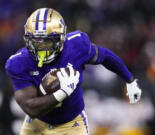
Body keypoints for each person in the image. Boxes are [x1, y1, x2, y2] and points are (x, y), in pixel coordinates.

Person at [5, 8, 142, 135]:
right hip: (37, 123)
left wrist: (129, 80)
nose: (42, 50)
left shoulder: (76, 46)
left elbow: (104, 56)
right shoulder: (19, 62)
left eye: (47, 43)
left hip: (71, 124)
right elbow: (30, 108)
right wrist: (61, 93)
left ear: (61, 38)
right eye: (37, 43)